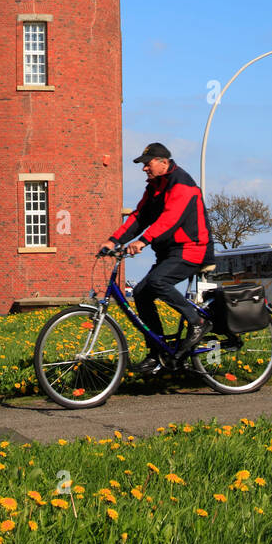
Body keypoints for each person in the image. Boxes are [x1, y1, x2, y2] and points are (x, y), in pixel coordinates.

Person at [109, 142, 213, 375]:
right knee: (141, 293)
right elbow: (139, 216)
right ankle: (158, 353)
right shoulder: (155, 186)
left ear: (164, 162)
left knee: (158, 282)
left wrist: (143, 242)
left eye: (148, 164)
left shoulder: (182, 184)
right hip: (169, 252)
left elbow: (170, 219)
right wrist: (113, 240)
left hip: (191, 248)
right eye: (143, 165)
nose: (144, 168)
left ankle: (197, 322)